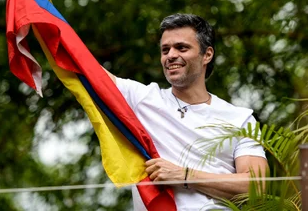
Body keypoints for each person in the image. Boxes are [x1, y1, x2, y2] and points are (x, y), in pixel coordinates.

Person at [105, 13, 268, 210]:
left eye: (181, 47)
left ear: (207, 55)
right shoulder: (141, 98)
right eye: (165, 50)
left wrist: (184, 175)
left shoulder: (240, 118)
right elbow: (82, 66)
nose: (171, 55)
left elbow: (257, 186)